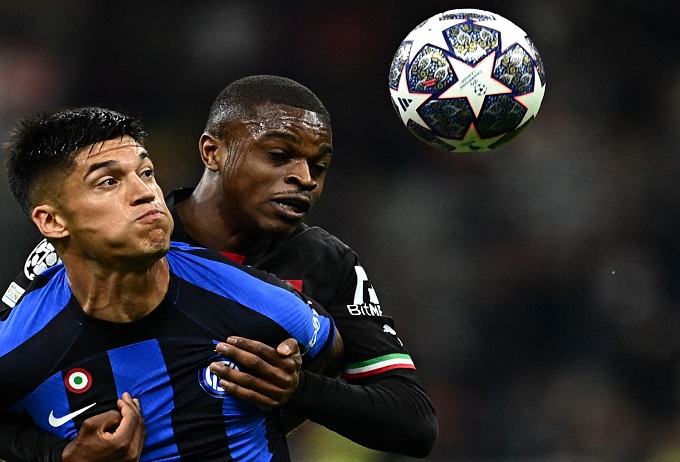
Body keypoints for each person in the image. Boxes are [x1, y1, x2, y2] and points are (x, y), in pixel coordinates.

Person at [1, 75, 438, 460]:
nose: (305, 177)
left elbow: (413, 422)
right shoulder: (113, 239)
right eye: (280, 155)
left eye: (319, 166)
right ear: (212, 151)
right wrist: (58, 455)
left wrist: (293, 393)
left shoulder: (323, 265)